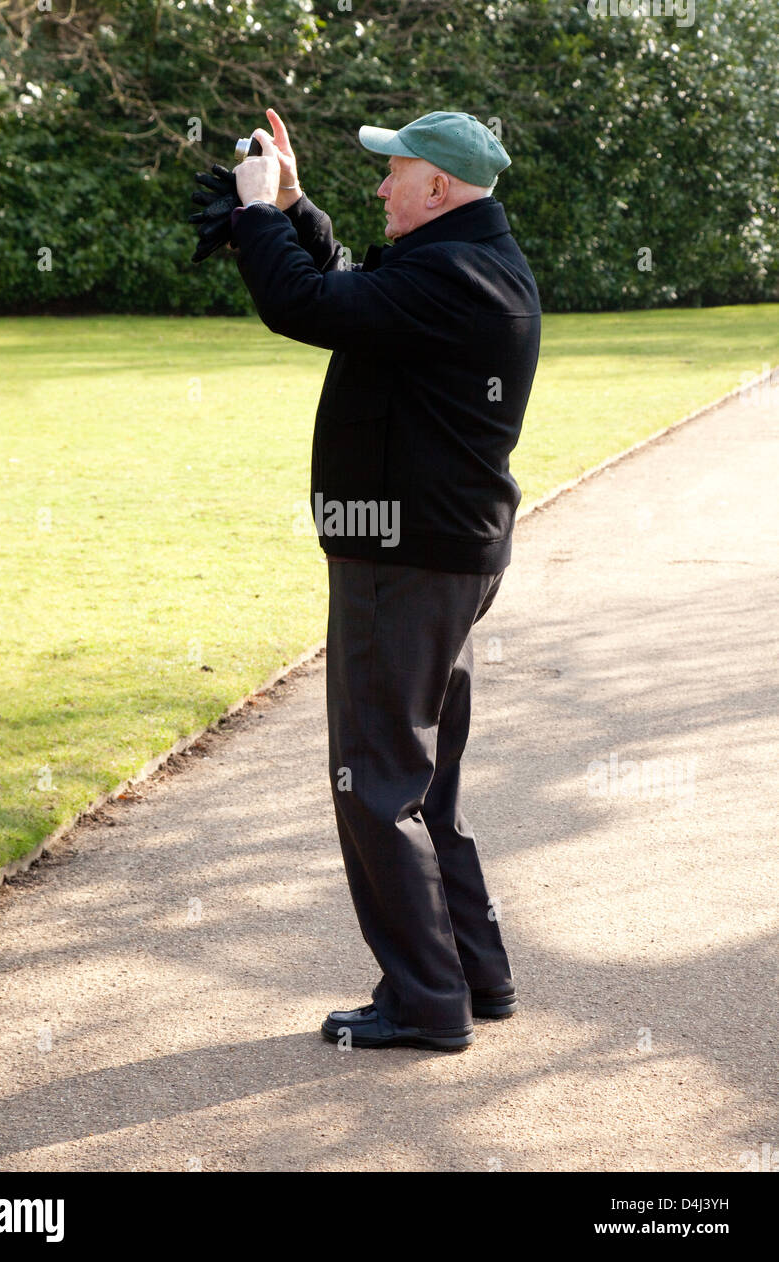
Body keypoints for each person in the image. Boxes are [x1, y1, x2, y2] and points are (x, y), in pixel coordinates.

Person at [227, 108, 541, 1051]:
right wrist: (292, 202)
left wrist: (252, 215)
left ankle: (422, 1004)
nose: (380, 187)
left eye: (392, 172)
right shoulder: (466, 262)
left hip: (403, 564)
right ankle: (472, 978)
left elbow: (307, 305)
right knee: (422, 783)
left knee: (373, 783)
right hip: (442, 555)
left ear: (438, 188)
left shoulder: (451, 277)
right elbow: (356, 291)